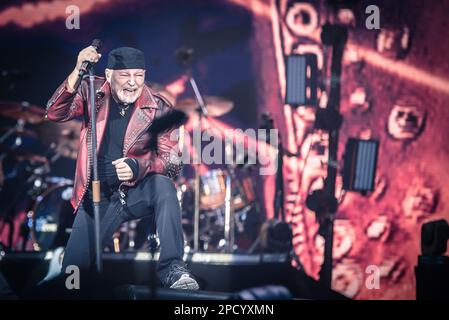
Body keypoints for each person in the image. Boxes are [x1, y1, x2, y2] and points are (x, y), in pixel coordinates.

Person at [46, 45, 199, 290]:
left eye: (138, 75)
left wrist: (138, 166)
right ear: (108, 75)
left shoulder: (158, 106)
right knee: (71, 280)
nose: (132, 83)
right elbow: (55, 112)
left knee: (164, 185)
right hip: (97, 195)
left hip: (137, 192)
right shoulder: (91, 91)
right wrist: (77, 70)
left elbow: (172, 162)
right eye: (125, 76)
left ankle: (172, 268)